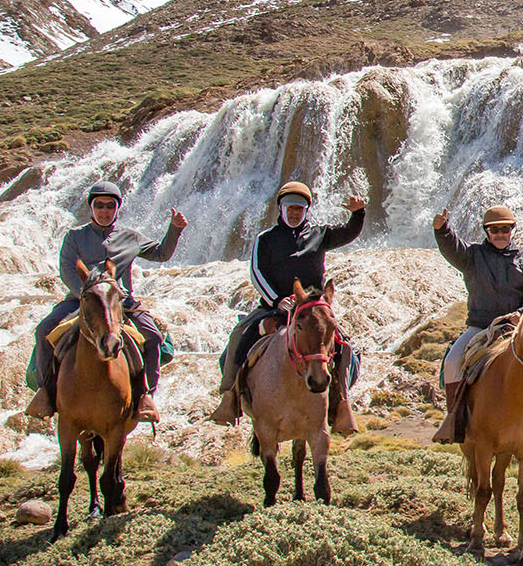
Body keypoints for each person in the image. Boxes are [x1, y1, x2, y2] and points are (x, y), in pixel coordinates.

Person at [211, 181, 366, 434]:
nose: (294, 213)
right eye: (290, 208)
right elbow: (257, 273)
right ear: (281, 209)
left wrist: (358, 214)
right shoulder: (266, 238)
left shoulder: (319, 234)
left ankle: (343, 405)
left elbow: (348, 232)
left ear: (306, 210)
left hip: (312, 309)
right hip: (275, 307)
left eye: (299, 208)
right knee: (240, 334)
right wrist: (276, 300)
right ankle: (229, 397)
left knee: (345, 346)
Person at [27, 181, 185, 422]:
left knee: (152, 337)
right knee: (44, 330)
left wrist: (174, 229)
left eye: (110, 206)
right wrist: (86, 296)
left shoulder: (130, 237)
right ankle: (45, 392)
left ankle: (146, 396)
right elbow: (67, 269)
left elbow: (161, 253)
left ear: (117, 208)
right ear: (91, 207)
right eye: (99, 205)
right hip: (80, 300)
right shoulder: (74, 237)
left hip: (122, 304)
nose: (104, 210)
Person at [430, 205, 523, 446]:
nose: (500, 234)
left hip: (515, 329)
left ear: (511, 231)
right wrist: (442, 230)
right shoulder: (473, 256)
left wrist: (521, 314)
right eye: (494, 230)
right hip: (481, 328)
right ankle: (454, 419)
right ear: (486, 231)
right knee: (453, 361)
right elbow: (453, 249)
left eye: (504, 229)